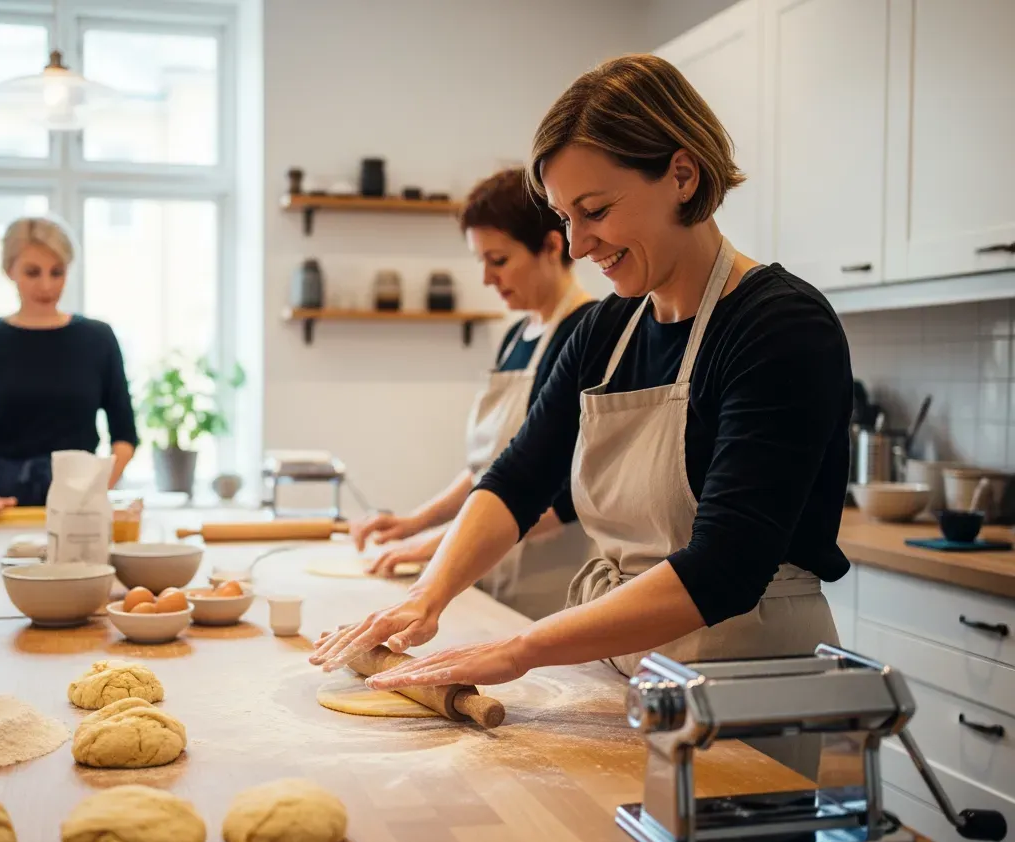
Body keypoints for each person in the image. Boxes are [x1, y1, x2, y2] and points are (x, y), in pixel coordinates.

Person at [312, 55, 851, 773]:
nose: (577, 245)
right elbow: (517, 477)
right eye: (565, 218)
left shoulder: (779, 327)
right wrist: (428, 594)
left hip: (744, 685)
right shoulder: (608, 330)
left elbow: (724, 568)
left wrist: (521, 649)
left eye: (594, 211)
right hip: (627, 671)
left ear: (682, 176)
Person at [350, 169, 594, 620]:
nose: (486, 278)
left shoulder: (585, 334)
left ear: (552, 246)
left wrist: (441, 545)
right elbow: (489, 468)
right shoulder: (517, 336)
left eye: (498, 260)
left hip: (552, 584)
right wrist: (416, 522)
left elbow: (563, 495)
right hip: (494, 572)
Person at [0, 216, 139, 511]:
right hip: (1, 501)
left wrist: (93, 491)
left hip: (79, 498)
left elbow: (125, 437)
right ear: (9, 270)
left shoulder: (98, 338)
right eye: (33, 272)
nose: (46, 285)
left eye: (57, 272)